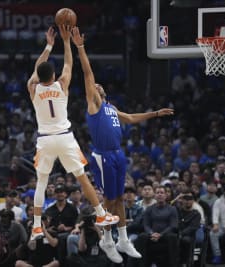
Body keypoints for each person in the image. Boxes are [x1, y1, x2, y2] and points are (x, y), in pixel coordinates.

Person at [70, 26, 174, 263]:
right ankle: (107, 239)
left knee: (119, 199)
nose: (96, 86)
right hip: (103, 155)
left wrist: (155, 113)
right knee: (109, 200)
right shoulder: (94, 104)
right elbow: (88, 74)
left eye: (99, 86)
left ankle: (123, 239)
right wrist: (80, 47)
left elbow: (131, 118)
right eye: (94, 87)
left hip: (117, 154)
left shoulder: (111, 108)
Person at [26, 26, 118, 240]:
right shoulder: (62, 84)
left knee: (41, 182)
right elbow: (69, 63)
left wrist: (48, 46)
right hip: (65, 137)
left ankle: (37, 226)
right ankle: (101, 214)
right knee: (82, 178)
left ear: (38, 76)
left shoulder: (32, 87)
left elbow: (38, 67)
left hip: (45, 140)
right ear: (54, 75)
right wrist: (67, 41)